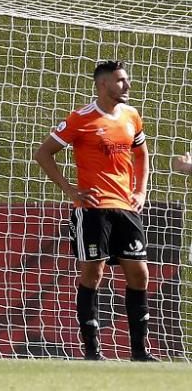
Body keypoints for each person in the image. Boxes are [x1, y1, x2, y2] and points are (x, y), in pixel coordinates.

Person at [33, 60, 158, 362]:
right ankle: (93, 352)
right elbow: (43, 153)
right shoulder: (81, 118)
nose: (127, 85)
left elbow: (141, 154)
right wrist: (72, 191)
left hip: (126, 208)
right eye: (120, 81)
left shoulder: (131, 116)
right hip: (92, 210)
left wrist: (140, 191)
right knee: (93, 274)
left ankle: (140, 354)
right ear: (103, 85)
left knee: (139, 274)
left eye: (126, 80)